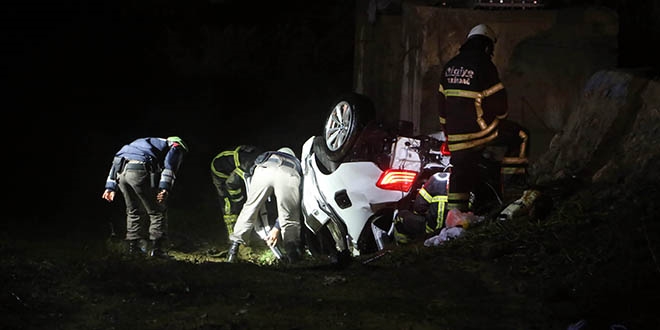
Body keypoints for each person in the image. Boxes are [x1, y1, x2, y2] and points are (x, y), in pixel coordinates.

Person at [437, 23, 529, 213]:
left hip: (455, 136)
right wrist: (499, 121)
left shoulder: (449, 66)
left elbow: (441, 106)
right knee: (521, 136)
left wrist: (449, 133)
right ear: (487, 46)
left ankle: (455, 219)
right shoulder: (485, 65)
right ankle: (513, 192)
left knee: (459, 175)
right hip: (481, 133)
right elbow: (500, 104)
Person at [101, 136, 188, 258]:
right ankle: (157, 249)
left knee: (133, 211)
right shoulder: (176, 146)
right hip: (138, 171)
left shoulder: (143, 142)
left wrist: (110, 186)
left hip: (121, 173)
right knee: (157, 211)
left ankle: (133, 248)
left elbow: (117, 161)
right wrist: (164, 188)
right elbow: (170, 166)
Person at [226, 147, 303, 264]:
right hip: (288, 172)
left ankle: (233, 250)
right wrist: (277, 228)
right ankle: (292, 254)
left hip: (263, 169)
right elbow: (290, 208)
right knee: (290, 214)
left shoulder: (269, 155)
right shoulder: (295, 162)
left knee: (250, 208)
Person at [210, 145, 265, 236]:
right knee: (228, 203)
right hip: (220, 171)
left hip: (236, 169)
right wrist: (239, 201)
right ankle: (233, 236)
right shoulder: (249, 164)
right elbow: (231, 183)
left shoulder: (262, 161)